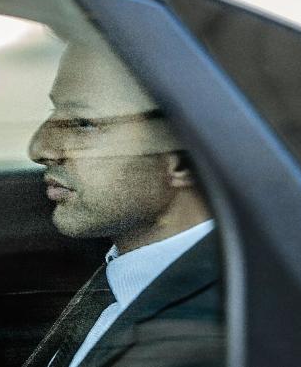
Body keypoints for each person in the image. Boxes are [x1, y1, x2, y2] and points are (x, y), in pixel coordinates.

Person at [23, 35, 224, 367]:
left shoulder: (202, 337)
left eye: (82, 124)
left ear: (183, 159)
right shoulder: (126, 273)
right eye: (54, 113)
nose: (39, 148)